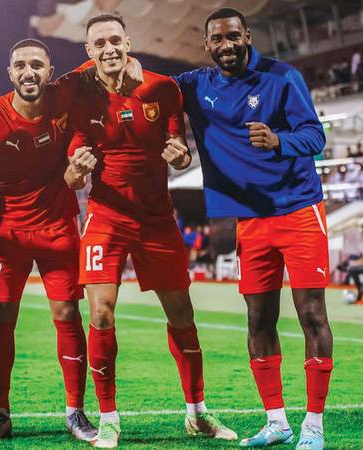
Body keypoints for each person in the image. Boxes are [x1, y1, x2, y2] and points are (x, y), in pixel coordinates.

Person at [0, 38, 139, 442]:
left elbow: (104, 59)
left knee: (67, 313)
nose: (29, 72)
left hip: (58, 226)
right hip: (7, 233)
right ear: (10, 73)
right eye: (21, 65)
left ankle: (75, 412)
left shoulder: (63, 93)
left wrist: (133, 65)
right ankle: (0, 414)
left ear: (50, 71)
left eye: (37, 65)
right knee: (1, 317)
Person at [63, 14, 235, 448]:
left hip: (157, 219)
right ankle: (108, 419)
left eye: (115, 40)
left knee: (182, 315)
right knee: (100, 314)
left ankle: (197, 413)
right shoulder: (79, 94)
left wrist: (181, 159)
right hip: (106, 216)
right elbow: (72, 174)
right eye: (99, 43)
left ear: (128, 42)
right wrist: (76, 171)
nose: (108, 49)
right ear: (89, 51)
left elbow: (180, 150)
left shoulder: (163, 89)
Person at [172, 8, 334, 449]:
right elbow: (149, 87)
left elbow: (316, 136)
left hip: (298, 209)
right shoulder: (196, 85)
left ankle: (313, 426)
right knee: (259, 319)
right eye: (217, 39)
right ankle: (277, 422)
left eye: (232, 36)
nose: (226, 45)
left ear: (247, 36)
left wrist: (280, 140)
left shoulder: (283, 77)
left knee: (312, 314)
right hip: (249, 220)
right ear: (207, 45)